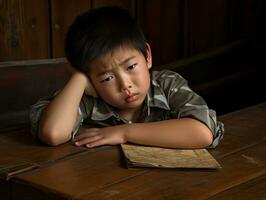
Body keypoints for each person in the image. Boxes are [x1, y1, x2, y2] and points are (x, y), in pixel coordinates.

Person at [30, 6, 224, 149]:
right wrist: (79, 78)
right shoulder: (87, 100)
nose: (125, 85)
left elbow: (201, 133)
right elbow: (53, 133)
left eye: (131, 66)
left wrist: (124, 133)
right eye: (107, 78)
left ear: (147, 56)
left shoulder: (166, 84)